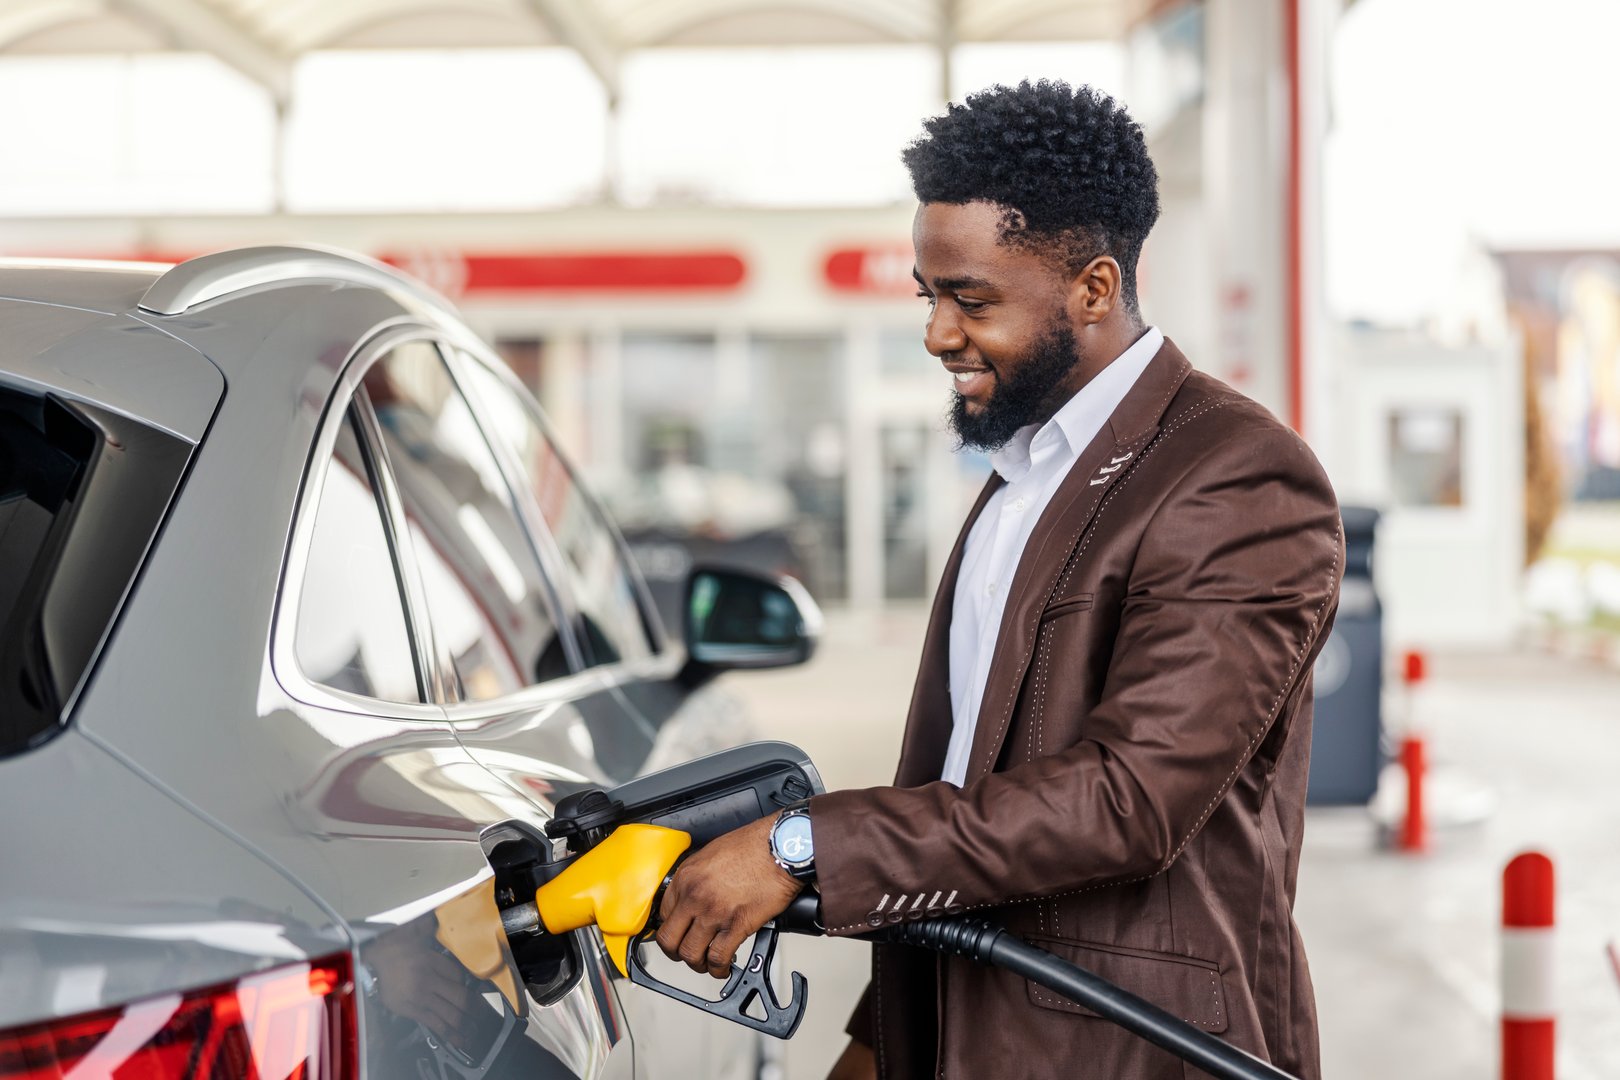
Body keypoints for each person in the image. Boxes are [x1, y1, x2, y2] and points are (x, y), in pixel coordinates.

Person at [653, 80, 1343, 1080]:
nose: (937, 333)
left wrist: (803, 846)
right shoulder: (1026, 472)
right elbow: (960, 783)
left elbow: (1129, 798)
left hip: (1134, 1049)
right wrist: (880, 1037)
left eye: (970, 299)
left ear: (1095, 289)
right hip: (973, 1030)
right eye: (929, 296)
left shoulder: (1234, 476)